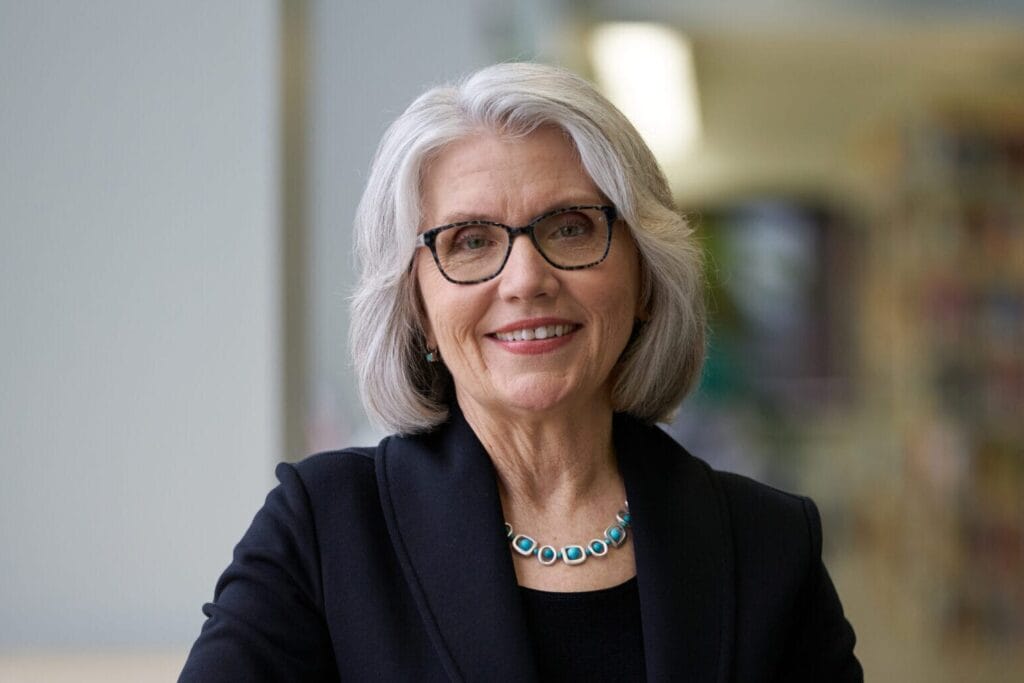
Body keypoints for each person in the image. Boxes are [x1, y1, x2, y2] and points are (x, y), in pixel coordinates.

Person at [180, 62, 862, 682]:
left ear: (646, 275)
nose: (526, 278)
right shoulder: (323, 532)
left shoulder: (767, 545)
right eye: (470, 240)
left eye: (569, 227)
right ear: (416, 303)